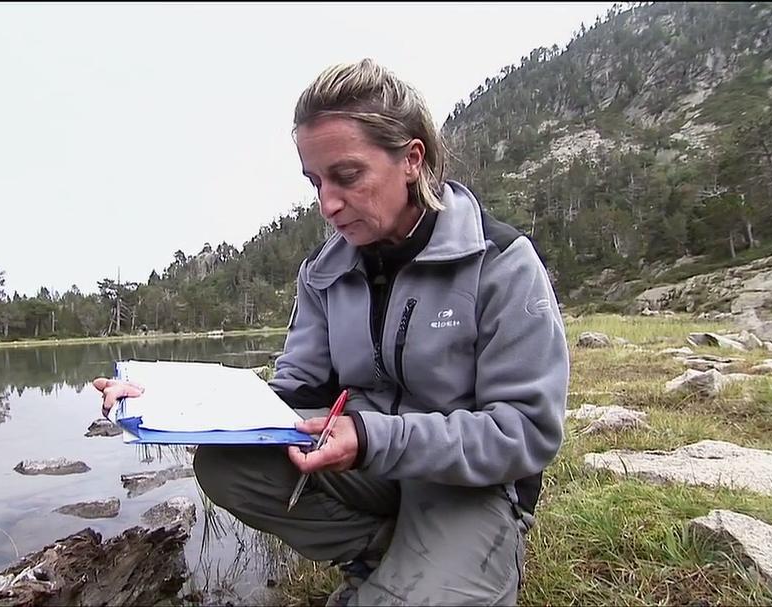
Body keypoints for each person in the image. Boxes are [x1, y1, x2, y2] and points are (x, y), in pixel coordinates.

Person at [93, 58, 569, 606]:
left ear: (412, 160)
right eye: (315, 181)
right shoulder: (324, 270)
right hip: (368, 466)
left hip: (466, 483)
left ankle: (455, 559)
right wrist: (169, 403)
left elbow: (526, 433)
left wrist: (370, 438)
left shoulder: (501, 261)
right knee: (227, 467)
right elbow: (294, 391)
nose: (328, 203)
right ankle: (383, 553)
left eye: (347, 176)